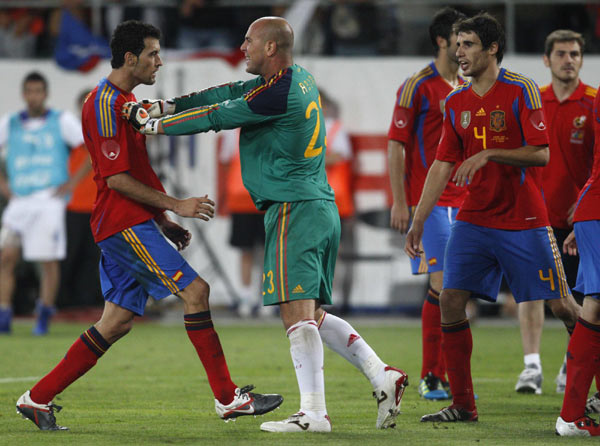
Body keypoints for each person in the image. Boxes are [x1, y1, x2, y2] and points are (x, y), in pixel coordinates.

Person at [123, 16, 408, 432]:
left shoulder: (277, 95)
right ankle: (381, 373)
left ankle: (313, 413)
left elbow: (219, 115)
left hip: (295, 207)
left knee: (295, 313)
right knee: (310, 313)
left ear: (271, 48)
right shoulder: (296, 79)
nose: (242, 47)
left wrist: (153, 124)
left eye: (249, 41)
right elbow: (227, 92)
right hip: (315, 205)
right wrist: (168, 105)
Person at [15, 20, 282, 431]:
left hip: (132, 221)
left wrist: (164, 220)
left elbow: (136, 169)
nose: (159, 61)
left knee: (116, 322)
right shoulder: (104, 104)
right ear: (129, 58)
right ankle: (229, 399)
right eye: (153, 53)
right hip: (122, 223)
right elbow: (118, 179)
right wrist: (178, 204)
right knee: (197, 291)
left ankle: (37, 398)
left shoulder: (122, 102)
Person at [405, 12, 581, 423]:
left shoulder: (521, 90)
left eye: (467, 44)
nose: (458, 52)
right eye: (457, 44)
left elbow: (541, 153)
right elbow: (442, 163)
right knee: (450, 298)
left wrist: (487, 153)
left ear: (492, 48)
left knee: (563, 306)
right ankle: (463, 405)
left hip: (525, 220)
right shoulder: (456, 101)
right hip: (474, 219)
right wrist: (418, 220)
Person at [387, 6, 466, 401]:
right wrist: (402, 202)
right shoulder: (418, 84)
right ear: (441, 40)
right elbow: (395, 144)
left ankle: (448, 373)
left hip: (467, 203)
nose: (466, 45)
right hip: (429, 202)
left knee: (459, 288)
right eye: (460, 38)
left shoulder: (469, 87)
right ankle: (432, 375)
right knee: (442, 283)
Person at [515, 29, 596, 396]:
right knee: (531, 292)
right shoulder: (534, 102)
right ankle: (531, 366)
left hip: (580, 222)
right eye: (562, 54)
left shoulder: (593, 102)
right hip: (535, 215)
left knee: (579, 299)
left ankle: (571, 361)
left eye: (575, 54)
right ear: (547, 60)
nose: (569, 60)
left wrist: (585, 205)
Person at [0, 71, 88, 335]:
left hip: (49, 200)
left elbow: (90, 148)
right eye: (29, 91)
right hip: (19, 201)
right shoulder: (11, 123)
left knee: (47, 261)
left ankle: (44, 311)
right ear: (24, 94)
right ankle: (4, 312)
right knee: (6, 256)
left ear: (45, 94)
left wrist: (71, 184)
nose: (34, 96)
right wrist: (3, 186)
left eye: (38, 91)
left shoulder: (61, 121)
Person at [555, 88, 600, 437]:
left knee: (594, 308)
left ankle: (575, 412)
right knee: (595, 307)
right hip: (596, 213)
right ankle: (571, 416)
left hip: (592, 213)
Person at [58, 89, 102, 308]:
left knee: (91, 257)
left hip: (98, 204)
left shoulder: (106, 131)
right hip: (74, 203)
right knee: (69, 255)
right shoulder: (72, 134)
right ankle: (62, 300)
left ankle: (84, 301)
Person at [218, 127, 266, 318]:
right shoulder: (233, 133)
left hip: (266, 199)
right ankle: (246, 296)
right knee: (245, 250)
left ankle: (266, 297)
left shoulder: (270, 127)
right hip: (242, 200)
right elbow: (227, 162)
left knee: (267, 251)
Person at [321, 90, 355, 313]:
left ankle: (335, 296)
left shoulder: (335, 128)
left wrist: (310, 160)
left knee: (336, 252)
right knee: (322, 252)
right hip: (321, 201)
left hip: (336, 201)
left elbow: (340, 155)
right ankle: (324, 296)